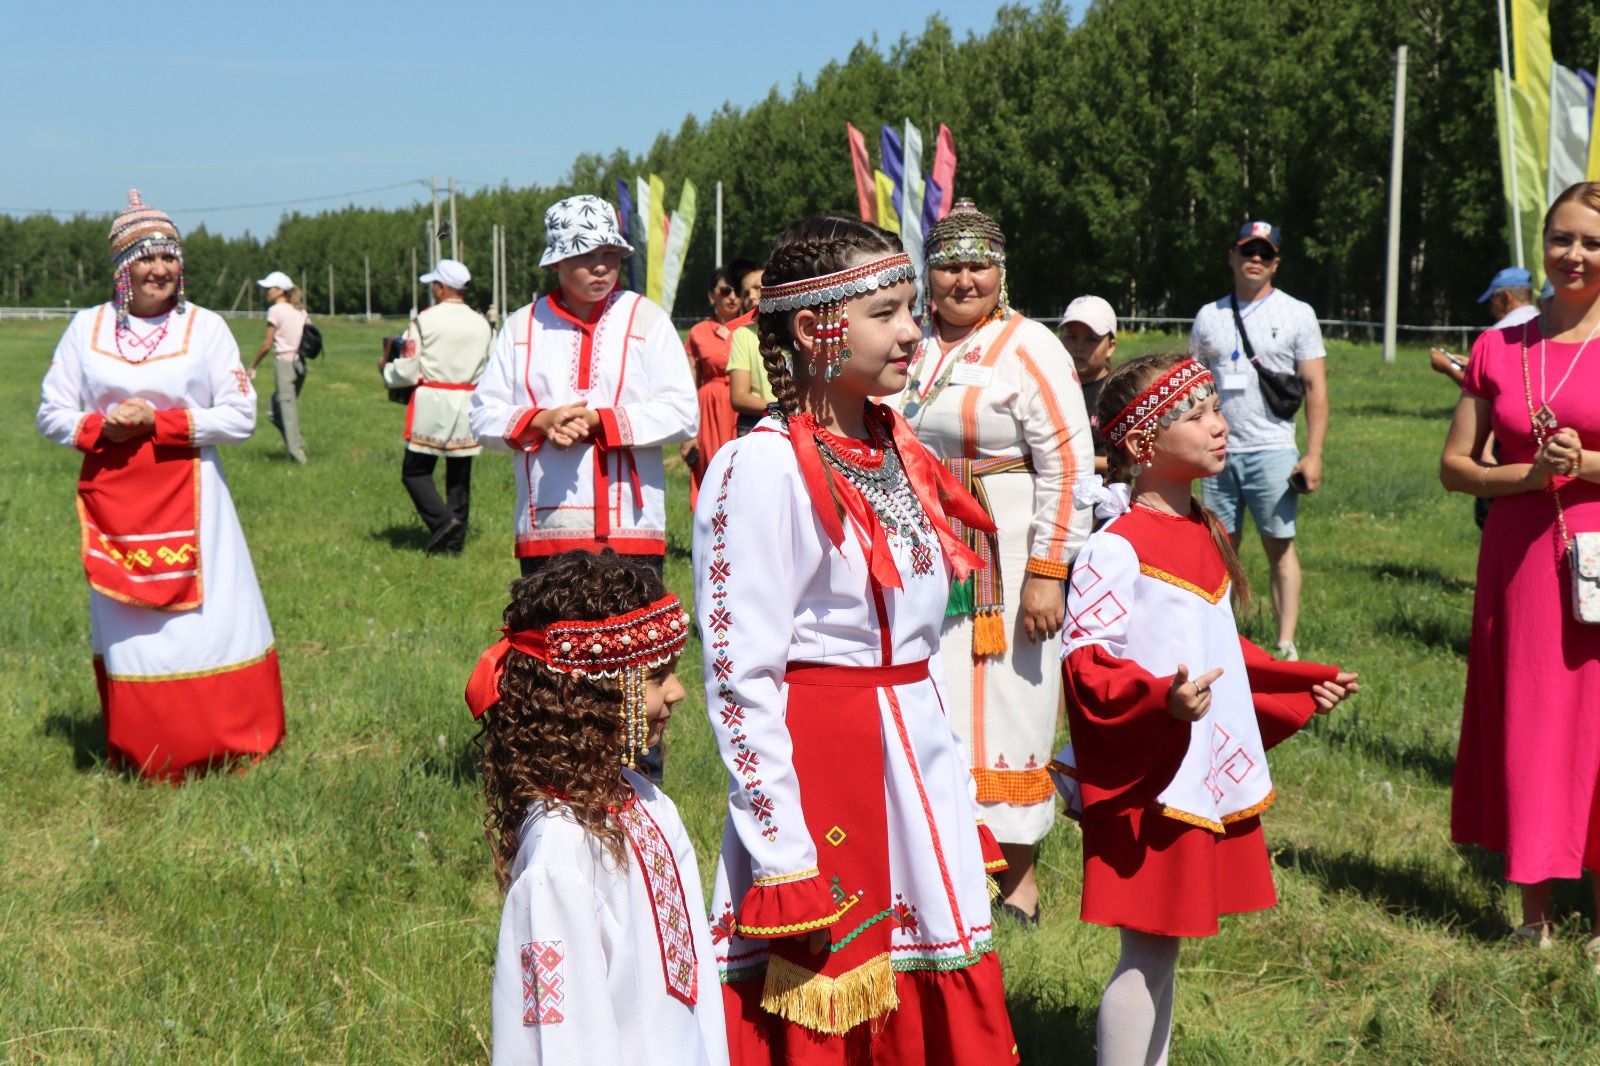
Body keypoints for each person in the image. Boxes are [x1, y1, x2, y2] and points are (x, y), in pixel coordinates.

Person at [695, 215, 1018, 1064]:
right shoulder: (759, 468)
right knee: (827, 1005)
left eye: (911, 307)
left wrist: (949, 782)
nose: (914, 329)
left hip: (914, 763)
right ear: (813, 329)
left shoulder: (891, 449)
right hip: (827, 773)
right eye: (887, 311)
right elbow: (739, 673)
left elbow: (914, 646)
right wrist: (781, 849)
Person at [1056, 353, 1358, 1065]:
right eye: (1197, 417)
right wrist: (1158, 700)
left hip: (1186, 769)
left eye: (1216, 410)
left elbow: (1221, 652)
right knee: (1147, 944)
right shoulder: (1114, 548)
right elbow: (1087, 664)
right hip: (1149, 775)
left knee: (1166, 945)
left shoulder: (1203, 532)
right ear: (1142, 445)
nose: (1220, 427)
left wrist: (1297, 684)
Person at [35, 189, 285, 781]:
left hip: (196, 496)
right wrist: (101, 426)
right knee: (133, 626)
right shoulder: (85, 329)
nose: (159, 269)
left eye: (169, 257)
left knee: (211, 619)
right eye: (145, 258)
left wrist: (162, 421)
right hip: (116, 502)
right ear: (123, 269)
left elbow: (240, 415)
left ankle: (232, 740)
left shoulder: (205, 328)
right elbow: (51, 413)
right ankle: (148, 749)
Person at [893, 199, 1094, 924]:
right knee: (931, 693)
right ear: (929, 274)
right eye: (949, 267)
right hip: (921, 543)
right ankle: (942, 863)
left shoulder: (1030, 346)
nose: (963, 281)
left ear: (1000, 273)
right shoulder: (908, 344)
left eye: (978, 266)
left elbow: (1068, 464)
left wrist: (1048, 571)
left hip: (1005, 552)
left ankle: (1019, 883)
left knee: (1009, 698)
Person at [467, 549, 728, 1065]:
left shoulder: (646, 801)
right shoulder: (558, 860)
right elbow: (558, 1044)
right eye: (658, 676)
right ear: (596, 692)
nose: (677, 692)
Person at [1441, 181, 1600, 969]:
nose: (1574, 255)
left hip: (1599, 556)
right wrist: (1532, 478)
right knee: (1535, 724)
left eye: (1592, 243)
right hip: (1524, 562)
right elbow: (1456, 467)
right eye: (1563, 238)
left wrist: (1588, 463)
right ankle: (1535, 911)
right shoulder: (1499, 345)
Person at [469, 194, 698, 579]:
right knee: (550, 639)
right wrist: (541, 422)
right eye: (584, 256)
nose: (600, 268)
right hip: (549, 528)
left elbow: (683, 413)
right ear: (557, 261)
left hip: (632, 528)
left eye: (610, 254)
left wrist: (600, 422)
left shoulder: (646, 319)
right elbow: (481, 415)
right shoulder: (523, 326)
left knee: (633, 640)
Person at [1187, 220, 1329, 661]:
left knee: (1279, 545)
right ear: (1231, 256)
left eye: (1265, 253)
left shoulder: (1297, 313)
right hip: (1217, 451)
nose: (1255, 260)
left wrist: (1314, 454)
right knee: (1219, 547)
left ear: (1276, 263)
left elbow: (1315, 387)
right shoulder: (1209, 316)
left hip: (1273, 450)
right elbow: (1192, 385)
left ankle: (1285, 643)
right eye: (1247, 250)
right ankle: (1219, 636)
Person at [381, 258, 492, 554]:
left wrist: (386, 372)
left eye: (434, 286)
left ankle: (443, 522)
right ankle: (454, 543)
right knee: (459, 475)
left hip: (432, 401)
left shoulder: (424, 320)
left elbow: (406, 369)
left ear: (442, 288)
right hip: (467, 401)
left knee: (415, 472)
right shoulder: (481, 323)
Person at [684, 266, 745, 506]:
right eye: (725, 290)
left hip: (742, 407)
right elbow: (689, 384)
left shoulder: (753, 331)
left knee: (742, 470)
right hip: (709, 409)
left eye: (737, 291)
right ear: (712, 296)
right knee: (711, 469)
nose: (732, 297)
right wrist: (689, 433)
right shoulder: (697, 333)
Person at [1429, 266, 1537, 386]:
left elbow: (1482, 388)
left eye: (1492, 300)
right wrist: (1473, 365)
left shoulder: (1497, 335)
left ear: (1506, 298)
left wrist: (1448, 367)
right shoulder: (1545, 325)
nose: (1491, 310)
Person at [248, 270, 309, 464]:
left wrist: (252, 366)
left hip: (285, 365)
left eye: (270, 288)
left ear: (280, 290)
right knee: (273, 411)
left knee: (287, 411)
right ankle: (297, 441)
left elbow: (267, 344)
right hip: (300, 364)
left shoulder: (276, 311)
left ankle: (298, 456)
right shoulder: (300, 310)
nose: (266, 292)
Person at [1059, 295, 1118, 475]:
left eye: (1091, 339)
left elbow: (1131, 462)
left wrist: (1073, 460)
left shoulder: (1119, 393)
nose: (1079, 347)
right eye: (1071, 337)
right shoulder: (1052, 386)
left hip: (1103, 499)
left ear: (1110, 347)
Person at [724, 261, 773, 436]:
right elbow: (739, 397)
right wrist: (781, 409)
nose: (751, 296)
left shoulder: (797, 330)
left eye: (757, 288)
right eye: (745, 293)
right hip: (757, 426)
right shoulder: (742, 335)